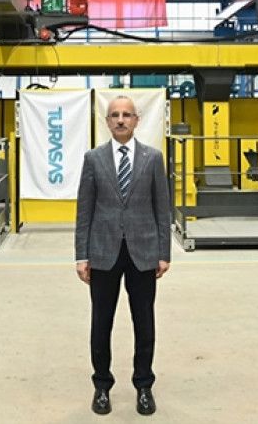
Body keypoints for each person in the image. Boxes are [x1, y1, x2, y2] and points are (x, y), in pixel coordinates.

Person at [75, 95, 172, 416]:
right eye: (114, 115)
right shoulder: (93, 159)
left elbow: (162, 208)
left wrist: (163, 252)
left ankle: (144, 386)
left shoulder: (152, 158)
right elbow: (84, 211)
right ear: (107, 122)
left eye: (126, 115)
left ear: (136, 120)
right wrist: (81, 255)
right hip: (103, 252)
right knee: (101, 322)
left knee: (144, 322)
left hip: (143, 252)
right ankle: (102, 386)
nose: (120, 120)